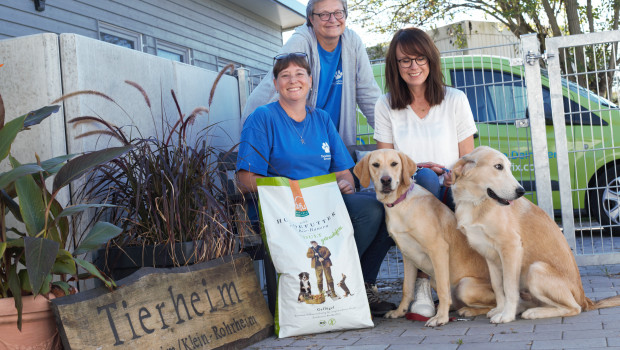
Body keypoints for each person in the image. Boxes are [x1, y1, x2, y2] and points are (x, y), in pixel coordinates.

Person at [236, 52, 395, 316]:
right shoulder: (262, 118)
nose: (293, 80)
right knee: (369, 211)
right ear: (275, 84)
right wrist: (293, 186)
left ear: (310, 81)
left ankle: (361, 285)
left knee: (384, 207)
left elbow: (344, 173)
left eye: (300, 74)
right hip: (284, 210)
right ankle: (339, 286)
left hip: (324, 205)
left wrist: (345, 184)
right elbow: (244, 180)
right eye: (284, 75)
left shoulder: (321, 118)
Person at [374, 27, 477, 317]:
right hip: (408, 187)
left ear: (431, 60)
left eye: (419, 58)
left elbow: (466, 159)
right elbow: (385, 159)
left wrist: (450, 172)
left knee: (434, 180)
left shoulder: (455, 99)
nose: (413, 66)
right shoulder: (385, 105)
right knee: (424, 180)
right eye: (404, 60)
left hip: (451, 184)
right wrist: (417, 168)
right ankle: (421, 287)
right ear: (395, 66)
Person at [241, 0, 381, 146]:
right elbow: (274, 91)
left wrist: (389, 134)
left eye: (338, 13)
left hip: (335, 140)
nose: (332, 20)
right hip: (301, 143)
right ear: (311, 18)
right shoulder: (299, 43)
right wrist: (253, 141)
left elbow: (368, 93)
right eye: (324, 14)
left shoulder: (353, 43)